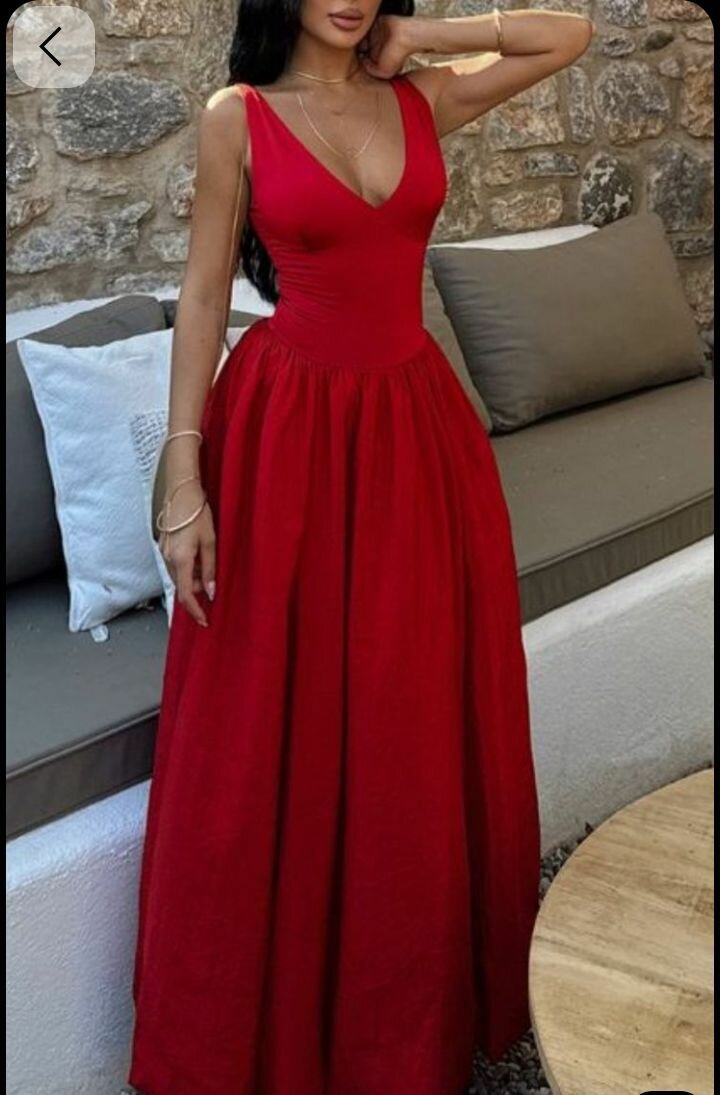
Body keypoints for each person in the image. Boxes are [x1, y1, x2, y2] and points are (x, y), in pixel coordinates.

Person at [126, 3, 593, 1093]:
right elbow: (204, 294)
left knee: (408, 711)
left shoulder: (420, 98)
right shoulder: (238, 116)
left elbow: (565, 36)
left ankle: (398, 1031)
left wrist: (419, 39)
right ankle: (263, 1028)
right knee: (272, 718)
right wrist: (182, 475)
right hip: (285, 436)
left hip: (416, 438)